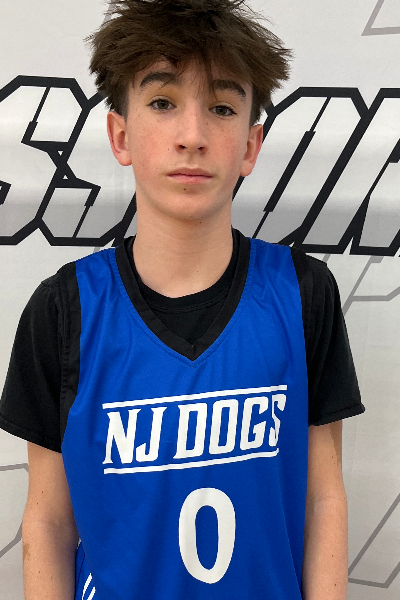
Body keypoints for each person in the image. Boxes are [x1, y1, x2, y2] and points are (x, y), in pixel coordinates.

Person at [0, 1, 365, 599]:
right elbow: (48, 521)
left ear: (250, 145)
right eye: (163, 102)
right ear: (121, 135)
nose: (192, 137)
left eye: (221, 108)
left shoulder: (303, 293)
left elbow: (323, 495)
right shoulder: (64, 310)